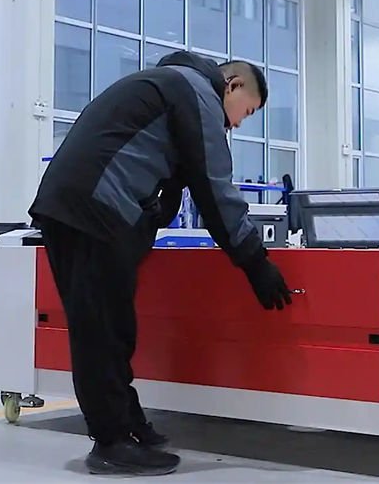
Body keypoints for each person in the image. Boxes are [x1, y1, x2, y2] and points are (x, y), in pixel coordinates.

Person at [29, 51, 294, 476]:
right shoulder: (196, 93)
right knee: (102, 332)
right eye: (246, 111)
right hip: (95, 209)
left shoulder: (166, 85)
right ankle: (111, 443)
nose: (240, 123)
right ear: (233, 86)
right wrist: (255, 261)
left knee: (108, 327)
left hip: (78, 206)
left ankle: (127, 424)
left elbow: (173, 175)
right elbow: (213, 187)